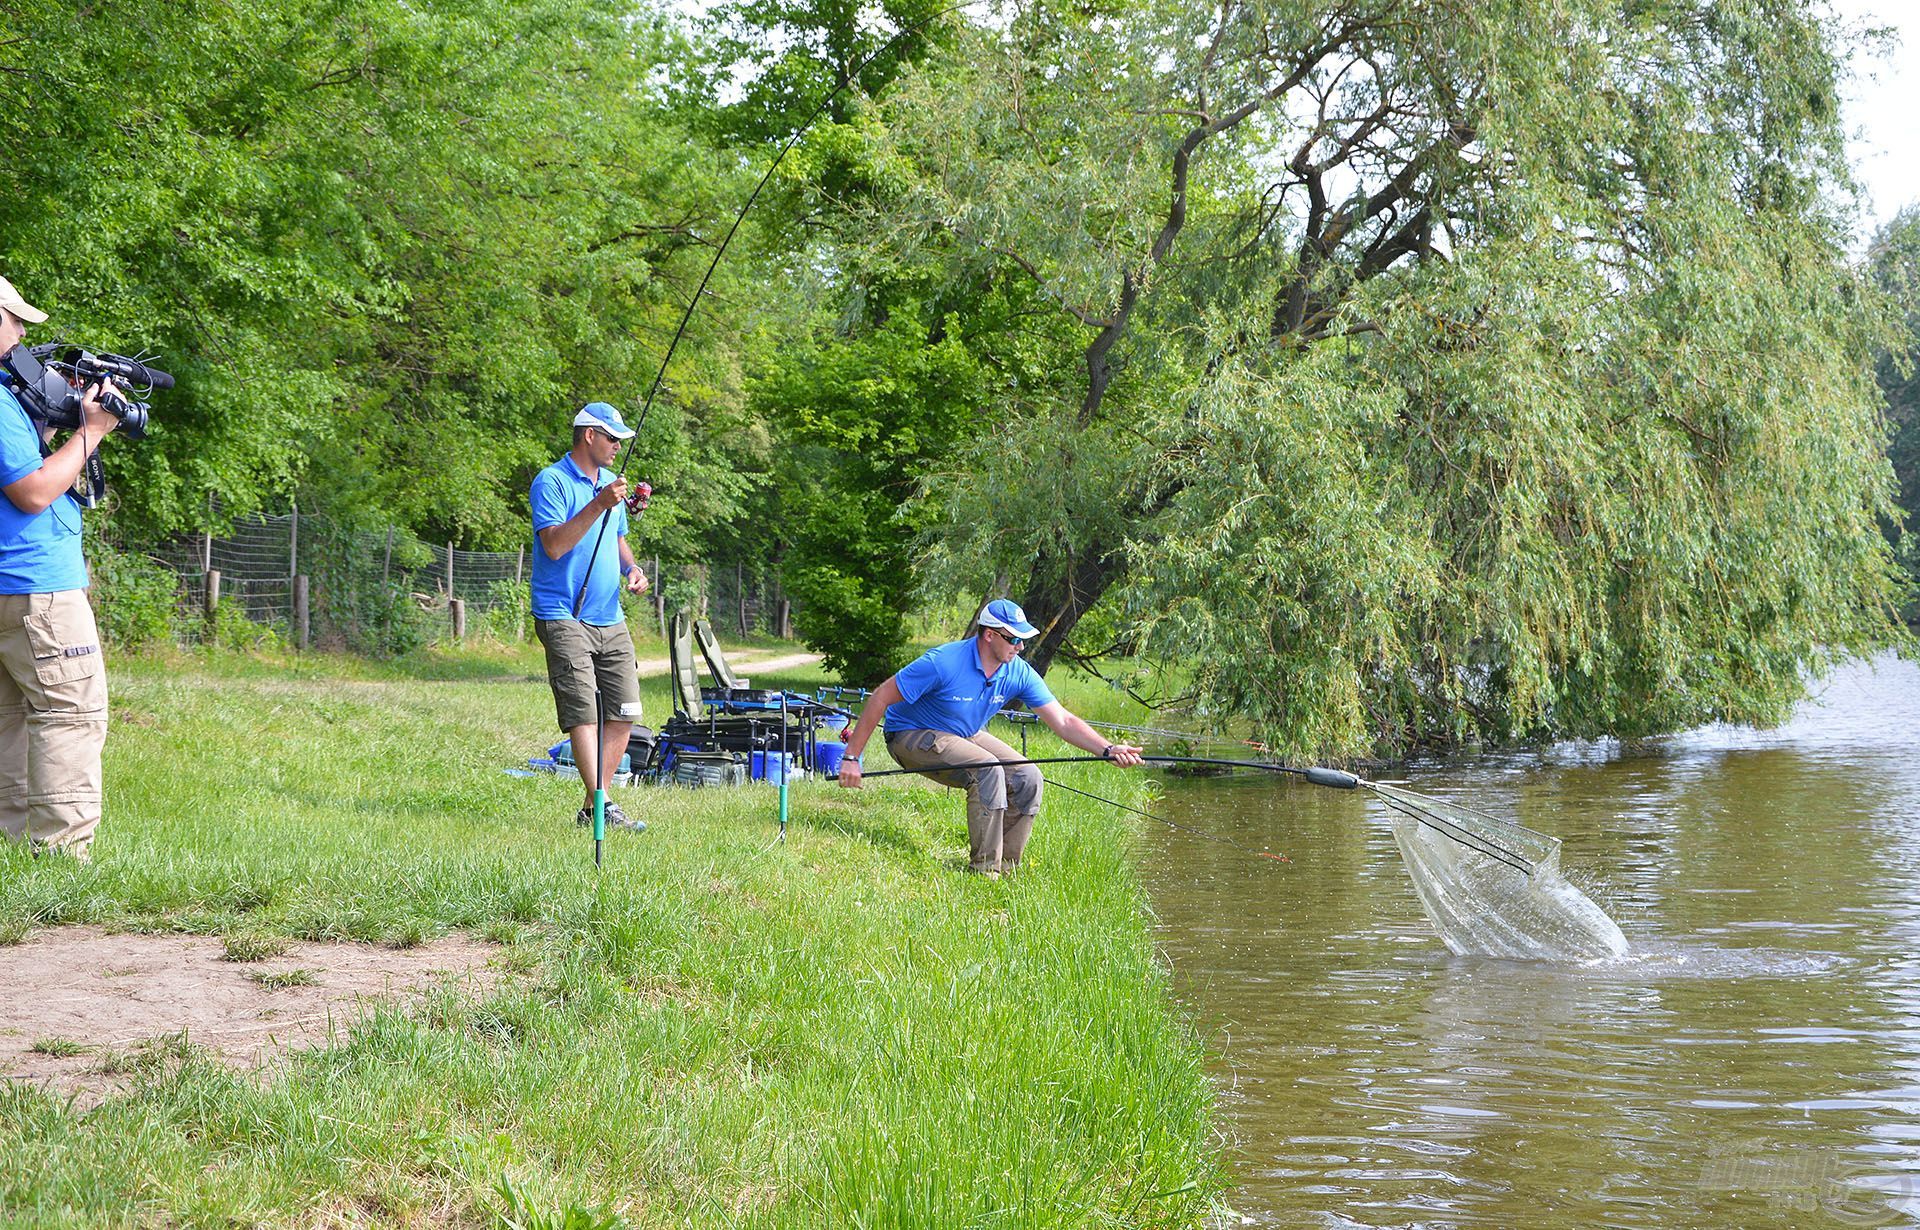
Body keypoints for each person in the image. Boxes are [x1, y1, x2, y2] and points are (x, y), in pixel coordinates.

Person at [837, 598, 1144, 877]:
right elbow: (879, 697)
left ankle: (1006, 868)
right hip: (910, 735)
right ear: (989, 635)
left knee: (1029, 776)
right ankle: (984, 871)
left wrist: (1107, 749)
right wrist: (852, 758)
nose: (1020, 647)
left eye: (1023, 639)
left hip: (965, 734)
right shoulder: (942, 663)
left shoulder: (1017, 671)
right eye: (1013, 638)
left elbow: (1063, 721)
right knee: (988, 769)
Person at [0, 275, 119, 862]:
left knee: (10, 720)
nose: (21, 332)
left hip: (8, 593)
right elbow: (32, 491)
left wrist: (48, 424)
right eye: (15, 320)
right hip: (34, 589)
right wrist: (91, 432)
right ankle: (60, 859)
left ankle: (15, 852)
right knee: (70, 713)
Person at [530, 401, 650, 832]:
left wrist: (632, 569)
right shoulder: (553, 482)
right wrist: (599, 503)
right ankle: (603, 803)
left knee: (626, 708)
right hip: (562, 614)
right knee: (583, 711)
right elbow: (555, 546)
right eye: (612, 438)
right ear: (589, 436)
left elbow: (617, 539)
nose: (618, 446)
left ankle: (591, 805)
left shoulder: (610, 487)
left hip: (609, 615)